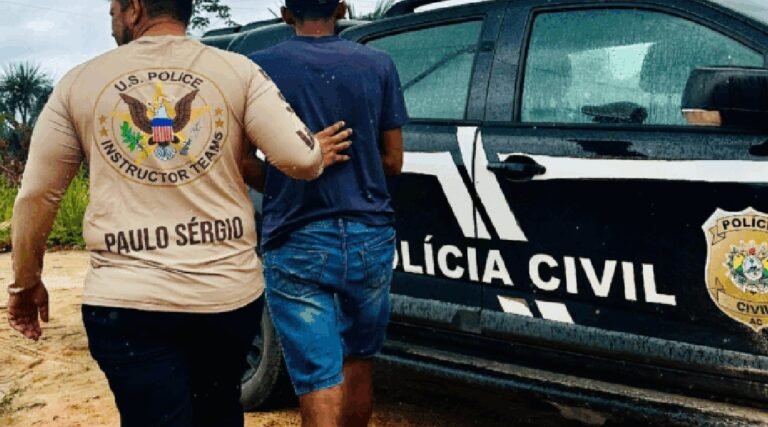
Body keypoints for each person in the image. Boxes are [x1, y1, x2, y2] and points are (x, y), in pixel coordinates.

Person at [6, 0, 351, 426]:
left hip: (127, 304)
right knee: (218, 412)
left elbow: (37, 195)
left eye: (113, 10)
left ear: (134, 9)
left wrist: (26, 282)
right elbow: (300, 159)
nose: (112, 21)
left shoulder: (81, 81)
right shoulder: (237, 71)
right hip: (225, 300)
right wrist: (316, 149)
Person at [248, 1, 408, 426]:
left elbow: (239, 160)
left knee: (318, 376)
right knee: (358, 361)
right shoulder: (379, 64)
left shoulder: (257, 68)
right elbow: (394, 161)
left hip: (296, 238)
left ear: (285, 13)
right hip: (369, 235)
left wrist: (291, 171)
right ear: (340, 8)